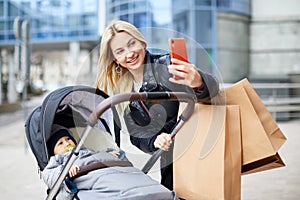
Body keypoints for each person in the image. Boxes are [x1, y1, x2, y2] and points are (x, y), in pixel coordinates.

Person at [94, 20, 220, 190]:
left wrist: (198, 82)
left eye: (132, 44)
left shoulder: (166, 65)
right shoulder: (124, 90)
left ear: (142, 42)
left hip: (200, 151)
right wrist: (155, 140)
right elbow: (136, 134)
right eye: (120, 51)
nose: (129, 53)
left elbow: (212, 90)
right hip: (171, 165)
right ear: (115, 59)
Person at [43, 125, 178, 200]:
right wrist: (64, 172)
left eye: (68, 139)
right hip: (87, 176)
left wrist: (114, 155)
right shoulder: (58, 161)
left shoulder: (87, 151)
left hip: (113, 170)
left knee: (145, 185)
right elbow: (48, 174)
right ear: (53, 152)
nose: (66, 143)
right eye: (60, 143)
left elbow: (104, 156)